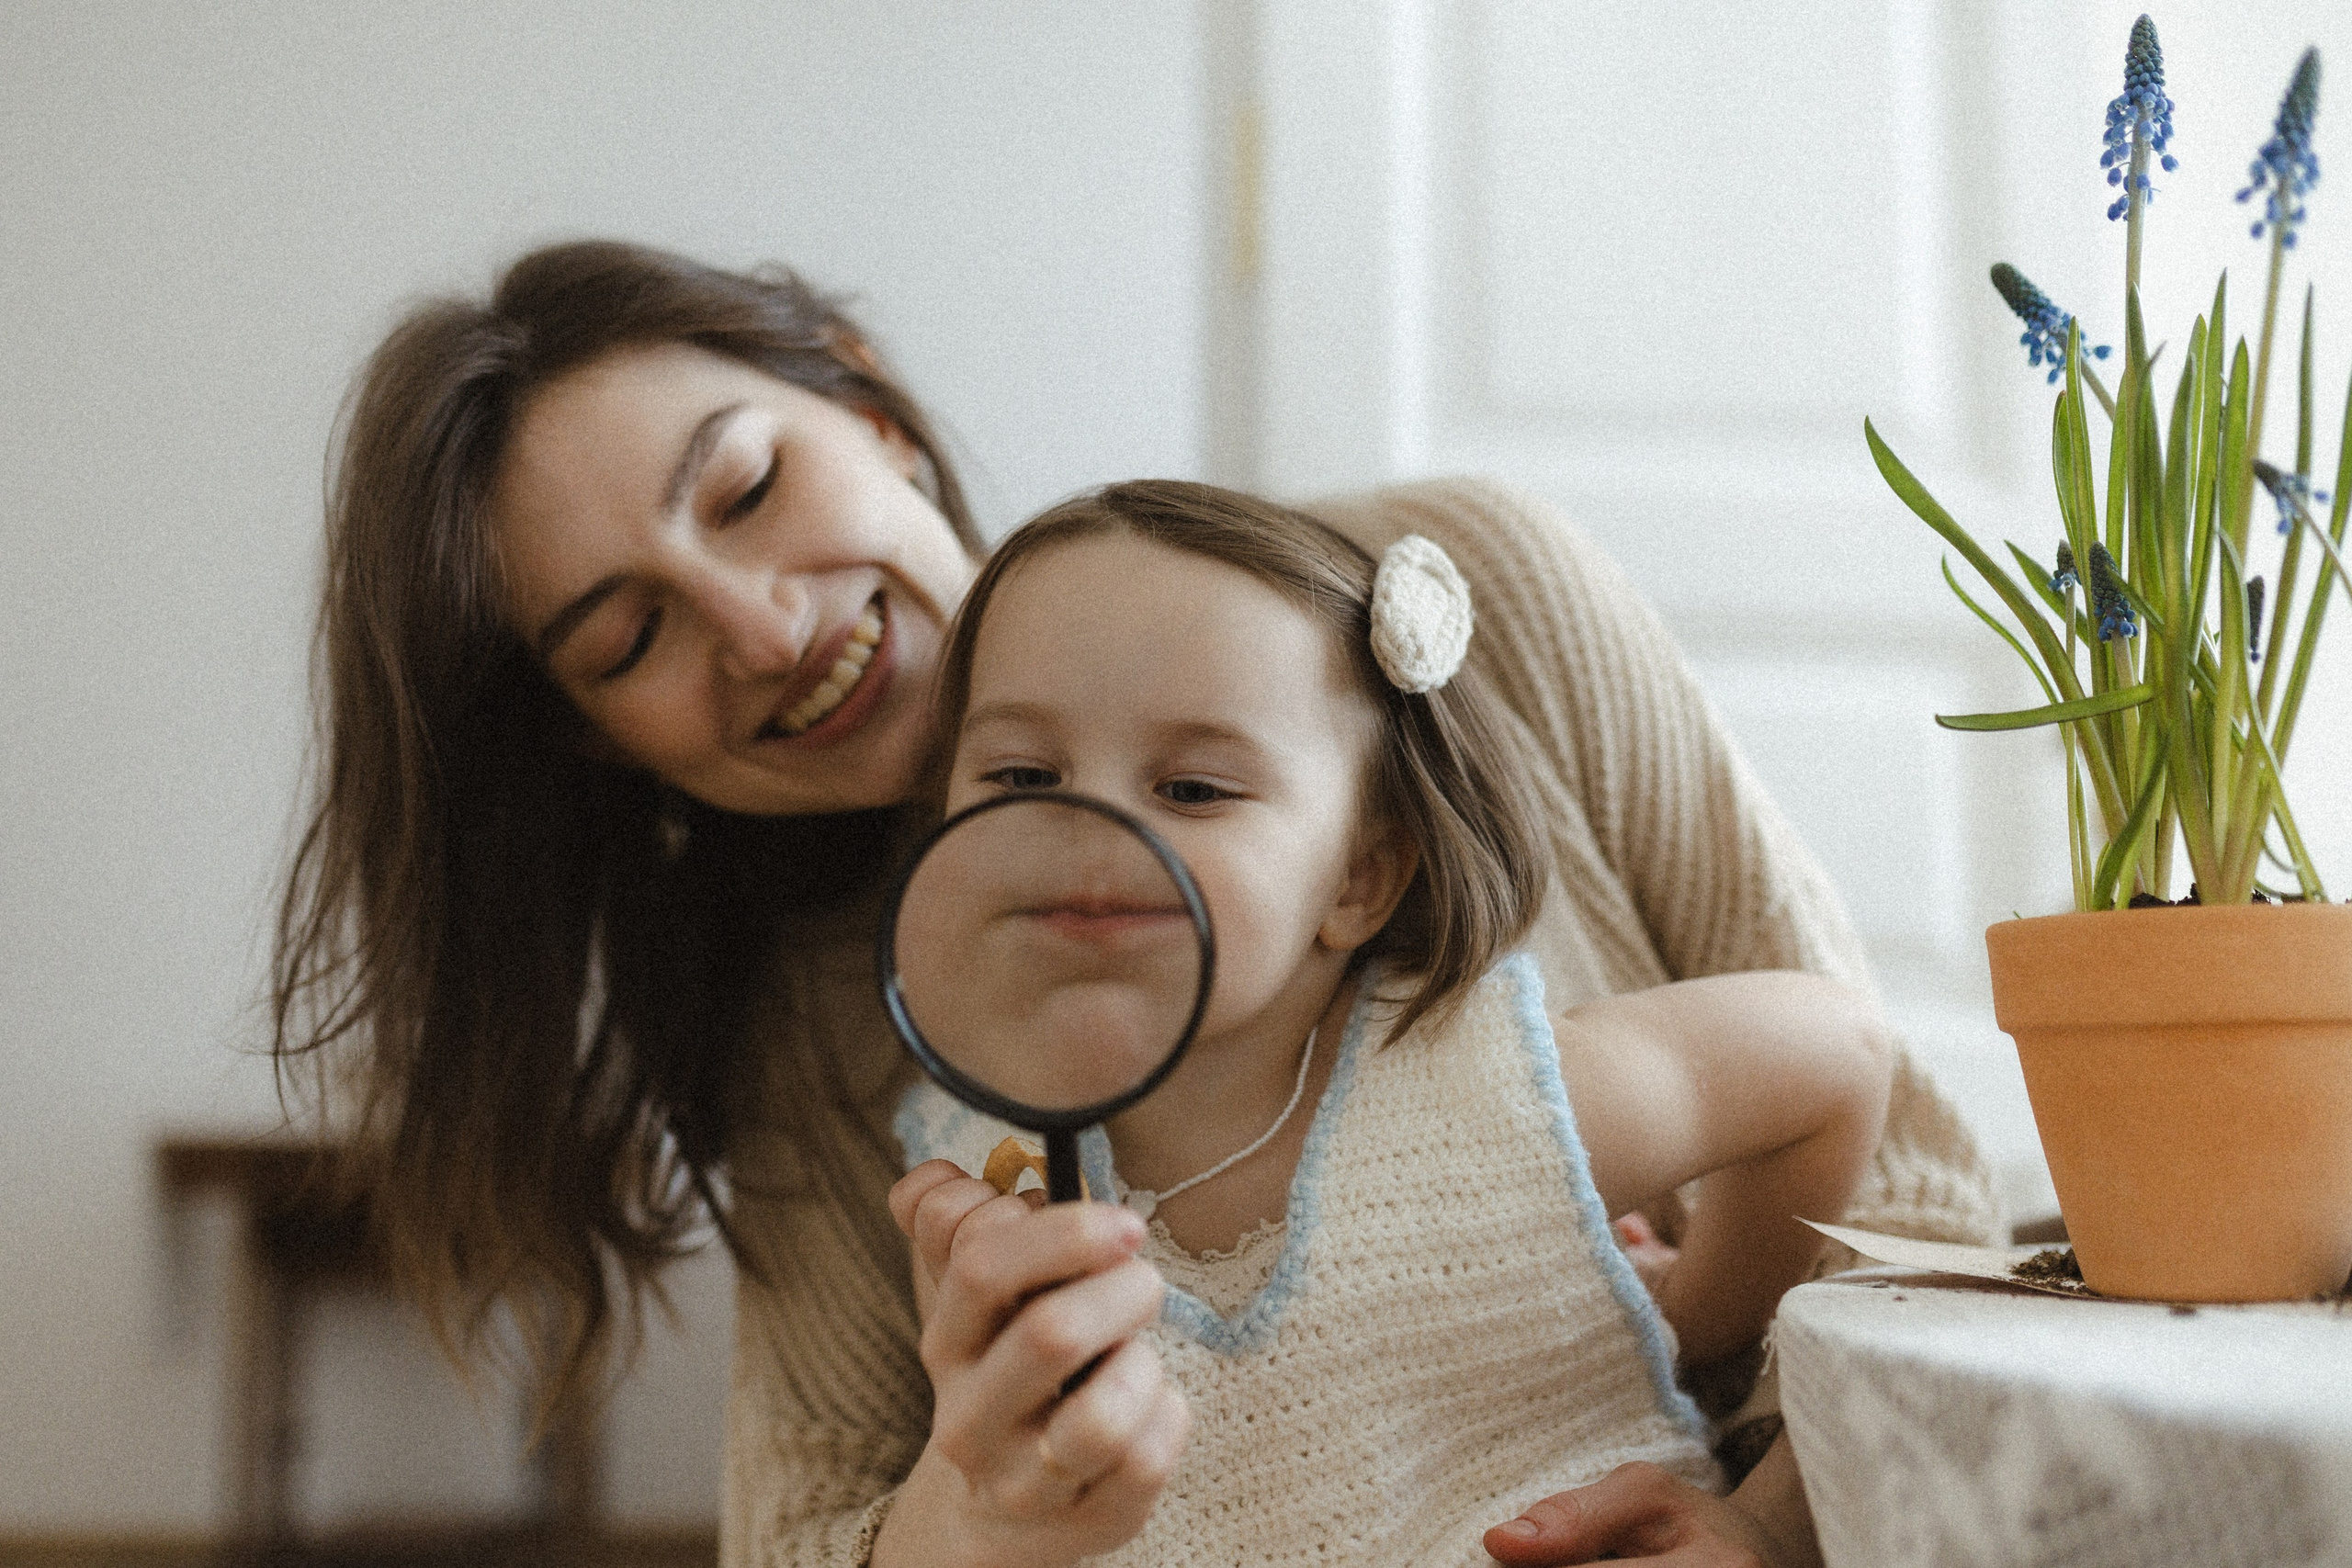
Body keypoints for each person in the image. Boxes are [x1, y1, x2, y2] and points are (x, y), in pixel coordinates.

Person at [271, 241, 1997, 1568]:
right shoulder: (824, 1051)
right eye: (629, 637)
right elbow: (809, 1537)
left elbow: (1914, 1193)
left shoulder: (1456, 605)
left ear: (867, 409)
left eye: (745, 486)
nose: (764, 624)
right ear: (598, 749)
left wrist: (1766, 1522)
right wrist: (979, 1500)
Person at [883, 480, 1894, 1565]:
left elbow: (1838, 1058)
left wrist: (1697, 1330)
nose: (1091, 833)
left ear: (1359, 880)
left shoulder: (1494, 1094)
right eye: (1023, 774)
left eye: (1193, 788)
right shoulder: (978, 1172)